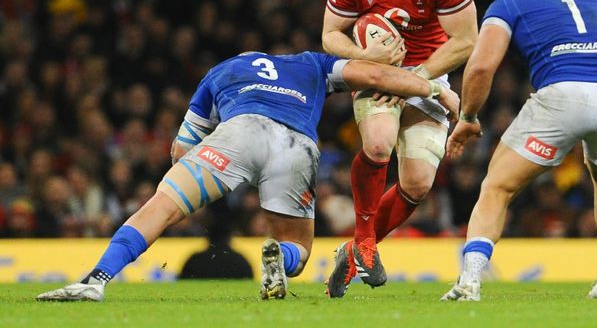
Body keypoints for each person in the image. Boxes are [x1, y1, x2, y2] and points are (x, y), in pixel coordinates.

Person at [35, 50, 459, 302]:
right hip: (296, 146)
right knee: (297, 247)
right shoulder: (312, 63)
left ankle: (96, 280)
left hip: (239, 132)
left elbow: (181, 148)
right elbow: (378, 76)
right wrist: (436, 90)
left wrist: (191, 187)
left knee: (159, 209)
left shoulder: (220, 72)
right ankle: (277, 257)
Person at [440, 0, 597, 301]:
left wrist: (469, 116)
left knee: (497, 187)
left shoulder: (511, 0)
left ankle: (470, 281)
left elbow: (480, 68)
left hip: (562, 95)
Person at [320, 0, 477, 297]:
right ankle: (366, 241)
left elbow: (466, 40)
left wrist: (418, 80)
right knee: (377, 142)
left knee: (420, 184)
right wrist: (364, 57)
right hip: (376, 71)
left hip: (430, 72)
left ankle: (354, 251)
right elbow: (330, 35)